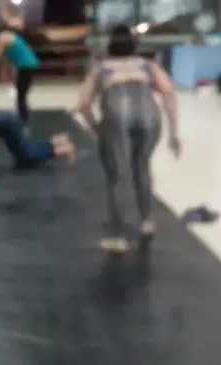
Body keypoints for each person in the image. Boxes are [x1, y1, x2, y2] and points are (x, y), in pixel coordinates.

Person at [74, 24, 181, 252]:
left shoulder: (101, 68)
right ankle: (146, 222)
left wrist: (96, 127)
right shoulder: (148, 65)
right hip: (150, 116)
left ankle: (118, 236)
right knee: (142, 166)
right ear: (134, 45)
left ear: (110, 45)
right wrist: (173, 133)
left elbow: (82, 103)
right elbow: (169, 92)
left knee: (117, 174)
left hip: (116, 115)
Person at [0, 0, 39, 128]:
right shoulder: (8, 35)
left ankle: (23, 119)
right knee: (21, 93)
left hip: (27, 65)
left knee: (21, 94)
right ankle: (23, 116)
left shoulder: (2, 38)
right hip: (27, 64)